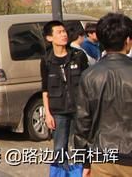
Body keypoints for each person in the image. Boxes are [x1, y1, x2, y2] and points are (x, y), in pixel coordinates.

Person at [74, 13, 132, 176]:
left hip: (102, 156)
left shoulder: (89, 75)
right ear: (127, 40)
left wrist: (83, 161)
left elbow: (82, 122)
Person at [40, 20, 89, 165]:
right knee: (60, 148)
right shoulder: (46, 60)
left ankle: (81, 173)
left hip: (79, 110)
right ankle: (61, 173)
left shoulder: (78, 56)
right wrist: (48, 114)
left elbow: (87, 84)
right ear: (49, 38)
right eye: (59, 32)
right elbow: (45, 89)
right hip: (58, 111)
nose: (64, 35)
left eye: (64, 32)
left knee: (80, 148)